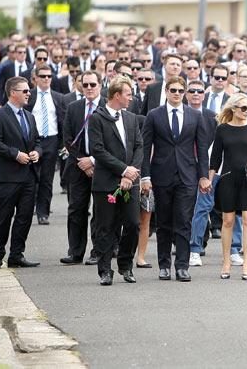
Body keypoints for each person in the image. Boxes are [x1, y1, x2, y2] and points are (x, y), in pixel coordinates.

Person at [141, 76, 210, 282]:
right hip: (161, 174)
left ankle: (182, 266)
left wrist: (204, 176)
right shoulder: (154, 115)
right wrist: (145, 175)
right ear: (166, 92)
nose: (177, 93)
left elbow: (203, 148)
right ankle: (164, 266)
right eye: (173, 90)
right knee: (163, 222)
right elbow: (145, 147)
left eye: (181, 90)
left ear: (185, 93)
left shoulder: (195, 116)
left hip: (187, 175)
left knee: (184, 220)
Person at [87, 75, 143, 285]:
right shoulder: (97, 118)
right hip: (106, 182)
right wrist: (123, 170)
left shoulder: (130, 118)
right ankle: (104, 270)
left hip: (131, 181)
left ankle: (125, 265)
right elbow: (98, 150)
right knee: (106, 227)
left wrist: (132, 172)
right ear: (117, 95)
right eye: (128, 94)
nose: (132, 98)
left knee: (133, 224)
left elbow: (139, 146)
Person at [0, 77, 42, 270]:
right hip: (7, 176)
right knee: (4, 215)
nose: (29, 94)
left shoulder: (30, 116)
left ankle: (17, 255)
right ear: (13, 93)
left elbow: (37, 141)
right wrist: (15, 154)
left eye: (29, 90)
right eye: (25, 91)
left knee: (24, 217)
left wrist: (37, 152)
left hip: (28, 175)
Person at [209, 93, 247, 280]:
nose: (246, 111)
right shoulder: (222, 129)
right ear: (233, 109)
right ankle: (226, 261)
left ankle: (246, 263)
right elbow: (215, 157)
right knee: (228, 221)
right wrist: (209, 178)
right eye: (243, 108)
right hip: (228, 179)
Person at [59, 70, 102, 266]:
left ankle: (98, 251)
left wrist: (92, 160)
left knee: (101, 211)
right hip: (77, 165)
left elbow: (113, 141)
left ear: (100, 85)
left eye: (93, 85)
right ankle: (75, 252)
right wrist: (82, 161)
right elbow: (68, 138)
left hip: (102, 166)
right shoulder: (74, 107)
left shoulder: (107, 107)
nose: (89, 88)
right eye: (86, 85)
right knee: (76, 209)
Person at [25, 65, 65, 225]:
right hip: (33, 141)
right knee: (32, 177)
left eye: (49, 76)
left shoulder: (57, 97)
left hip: (52, 140)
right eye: (43, 76)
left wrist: (63, 143)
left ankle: (43, 212)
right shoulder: (30, 95)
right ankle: (29, 209)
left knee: (47, 179)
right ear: (35, 78)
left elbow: (62, 121)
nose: (47, 78)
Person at [186, 80, 218, 267]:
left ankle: (198, 244)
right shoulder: (181, 113)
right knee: (188, 207)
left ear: (204, 95)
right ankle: (187, 244)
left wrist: (208, 171)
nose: (196, 93)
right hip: (185, 166)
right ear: (186, 94)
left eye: (199, 91)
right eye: (192, 91)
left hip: (207, 168)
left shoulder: (212, 116)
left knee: (202, 207)